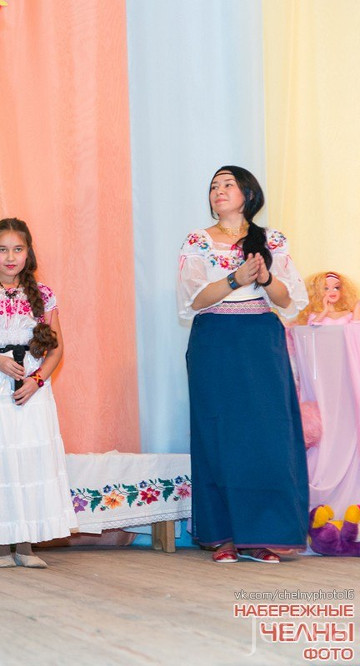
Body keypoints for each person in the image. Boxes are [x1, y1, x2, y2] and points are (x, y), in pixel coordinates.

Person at [177, 165, 309, 564]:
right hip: (215, 341)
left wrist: (265, 278)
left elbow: (290, 300)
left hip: (260, 341)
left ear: (248, 194)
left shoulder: (271, 240)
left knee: (268, 436)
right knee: (218, 434)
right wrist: (235, 279)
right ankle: (224, 537)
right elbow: (194, 300)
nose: (218, 191)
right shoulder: (199, 241)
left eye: (228, 184)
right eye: (214, 186)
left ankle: (264, 535)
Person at [0, 218, 77, 568]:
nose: (10, 257)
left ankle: (26, 546)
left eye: (17, 249)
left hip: (33, 388)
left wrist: (37, 380)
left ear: (28, 252)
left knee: (29, 459)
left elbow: (56, 349)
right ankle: (1, 547)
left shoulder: (45, 295)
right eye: (2, 249)